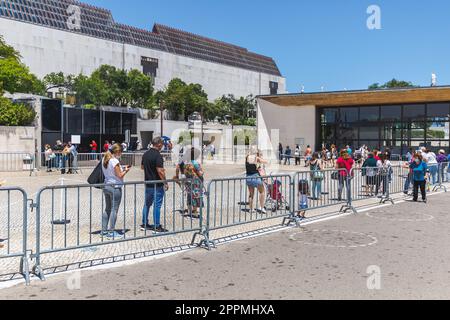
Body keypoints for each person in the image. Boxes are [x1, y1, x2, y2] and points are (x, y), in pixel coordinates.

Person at [101, 144, 131, 239]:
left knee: (107, 209)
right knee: (114, 210)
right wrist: (126, 170)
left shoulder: (104, 159)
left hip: (107, 185)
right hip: (115, 187)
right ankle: (111, 231)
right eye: (121, 152)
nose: (121, 154)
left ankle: (104, 230)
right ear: (117, 151)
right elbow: (120, 175)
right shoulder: (114, 161)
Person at [141, 137, 169, 233]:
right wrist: (165, 182)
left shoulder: (145, 154)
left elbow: (142, 167)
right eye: (162, 144)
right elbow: (160, 171)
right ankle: (157, 226)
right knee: (157, 205)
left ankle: (144, 223)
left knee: (147, 204)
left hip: (148, 183)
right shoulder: (158, 156)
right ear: (159, 144)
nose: (163, 146)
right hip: (157, 184)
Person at [245, 147, 268, 214]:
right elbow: (265, 162)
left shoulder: (246, 157)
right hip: (255, 177)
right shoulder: (256, 158)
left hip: (248, 177)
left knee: (251, 194)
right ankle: (261, 207)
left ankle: (251, 209)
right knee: (262, 192)